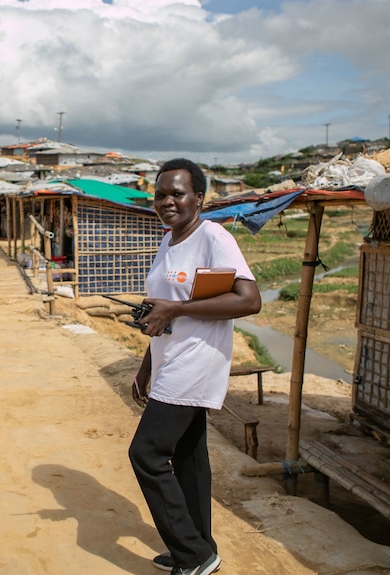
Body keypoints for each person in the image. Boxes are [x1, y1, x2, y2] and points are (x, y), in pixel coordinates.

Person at [128, 158, 261, 575]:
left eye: (177, 193)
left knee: (146, 453)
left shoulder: (213, 236)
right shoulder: (168, 242)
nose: (167, 201)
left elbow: (249, 299)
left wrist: (178, 307)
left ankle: (193, 555)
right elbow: (163, 314)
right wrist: (146, 367)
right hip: (170, 360)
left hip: (197, 361)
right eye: (161, 194)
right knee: (187, 456)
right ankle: (200, 544)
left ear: (198, 198)